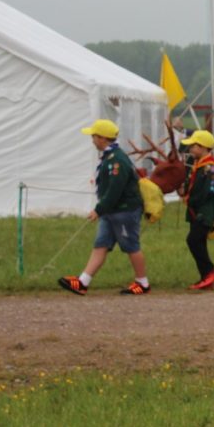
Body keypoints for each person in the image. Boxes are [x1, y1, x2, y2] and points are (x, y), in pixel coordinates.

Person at [59, 119, 150, 295]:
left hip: (125, 211)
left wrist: (98, 210)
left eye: (93, 136)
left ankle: (143, 283)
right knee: (101, 244)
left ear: (102, 138)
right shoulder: (109, 157)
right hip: (110, 211)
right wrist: (103, 209)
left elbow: (115, 190)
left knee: (131, 246)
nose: (92, 140)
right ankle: (83, 282)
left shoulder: (117, 160)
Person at [181, 130, 214, 290]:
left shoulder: (210, 168)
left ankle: (210, 271)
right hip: (196, 211)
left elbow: (209, 192)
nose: (190, 149)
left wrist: (191, 199)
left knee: (193, 240)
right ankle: (205, 277)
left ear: (204, 147)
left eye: (194, 146)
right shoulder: (198, 166)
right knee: (199, 242)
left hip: (205, 212)